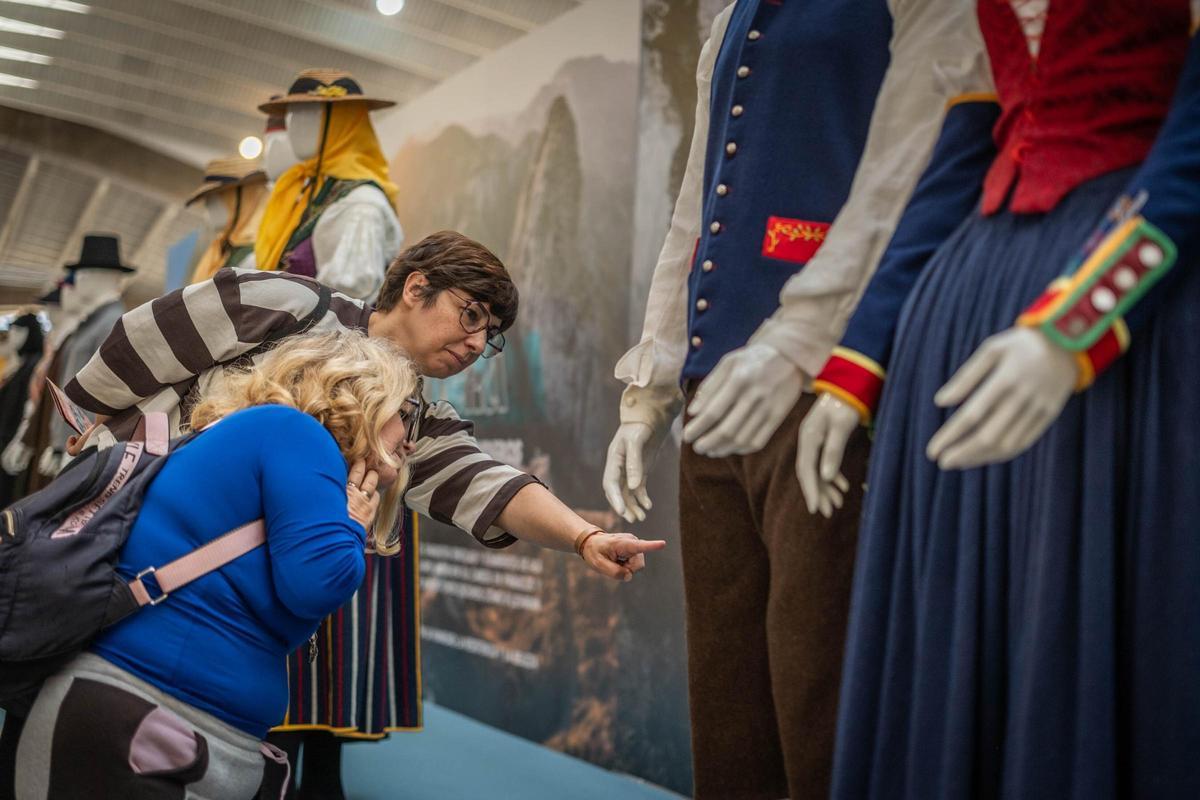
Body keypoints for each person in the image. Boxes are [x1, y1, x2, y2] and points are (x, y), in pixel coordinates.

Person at [62, 231, 666, 793]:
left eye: (492, 334)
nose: (479, 343)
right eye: (472, 314)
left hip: (242, 600)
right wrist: (104, 456)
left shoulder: (414, 414)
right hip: (160, 557)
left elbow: (487, 483)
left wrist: (584, 536)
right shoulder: (287, 305)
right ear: (415, 287)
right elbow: (141, 344)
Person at [794, 2, 1200, 797]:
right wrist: (861, 359)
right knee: (958, 625)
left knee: (1083, 604)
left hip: (1131, 290)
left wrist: (1079, 325)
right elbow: (963, 153)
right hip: (970, 296)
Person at [602, 1, 990, 796]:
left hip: (827, 387)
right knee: (726, 705)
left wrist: (807, 338)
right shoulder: (733, 16)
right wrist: (651, 388)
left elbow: (905, 171)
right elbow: (695, 212)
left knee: (821, 698)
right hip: (715, 398)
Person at [14, 330, 420, 798]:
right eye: (406, 414)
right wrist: (354, 519)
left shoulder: (266, 437)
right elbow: (320, 583)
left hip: (148, 722)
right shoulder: (298, 433)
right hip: (142, 721)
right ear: (360, 392)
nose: (410, 439)